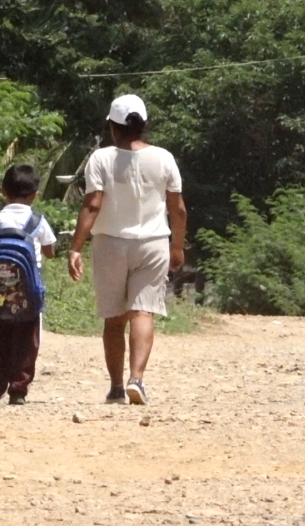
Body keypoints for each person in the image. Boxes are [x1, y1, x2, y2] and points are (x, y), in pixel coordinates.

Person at [68, 94, 187, 406]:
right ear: (144, 125)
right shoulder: (164, 158)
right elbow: (178, 211)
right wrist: (177, 246)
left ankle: (117, 387)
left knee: (114, 318)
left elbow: (93, 204)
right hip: (153, 243)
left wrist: (75, 248)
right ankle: (138, 379)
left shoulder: (101, 159)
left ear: (112, 126)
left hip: (110, 244)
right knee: (143, 310)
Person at [0, 165, 56, 405]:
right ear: (34, 194)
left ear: (3, 191)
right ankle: (18, 389)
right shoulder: (37, 220)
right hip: (28, 292)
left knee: (0, 335)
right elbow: (50, 251)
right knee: (27, 339)